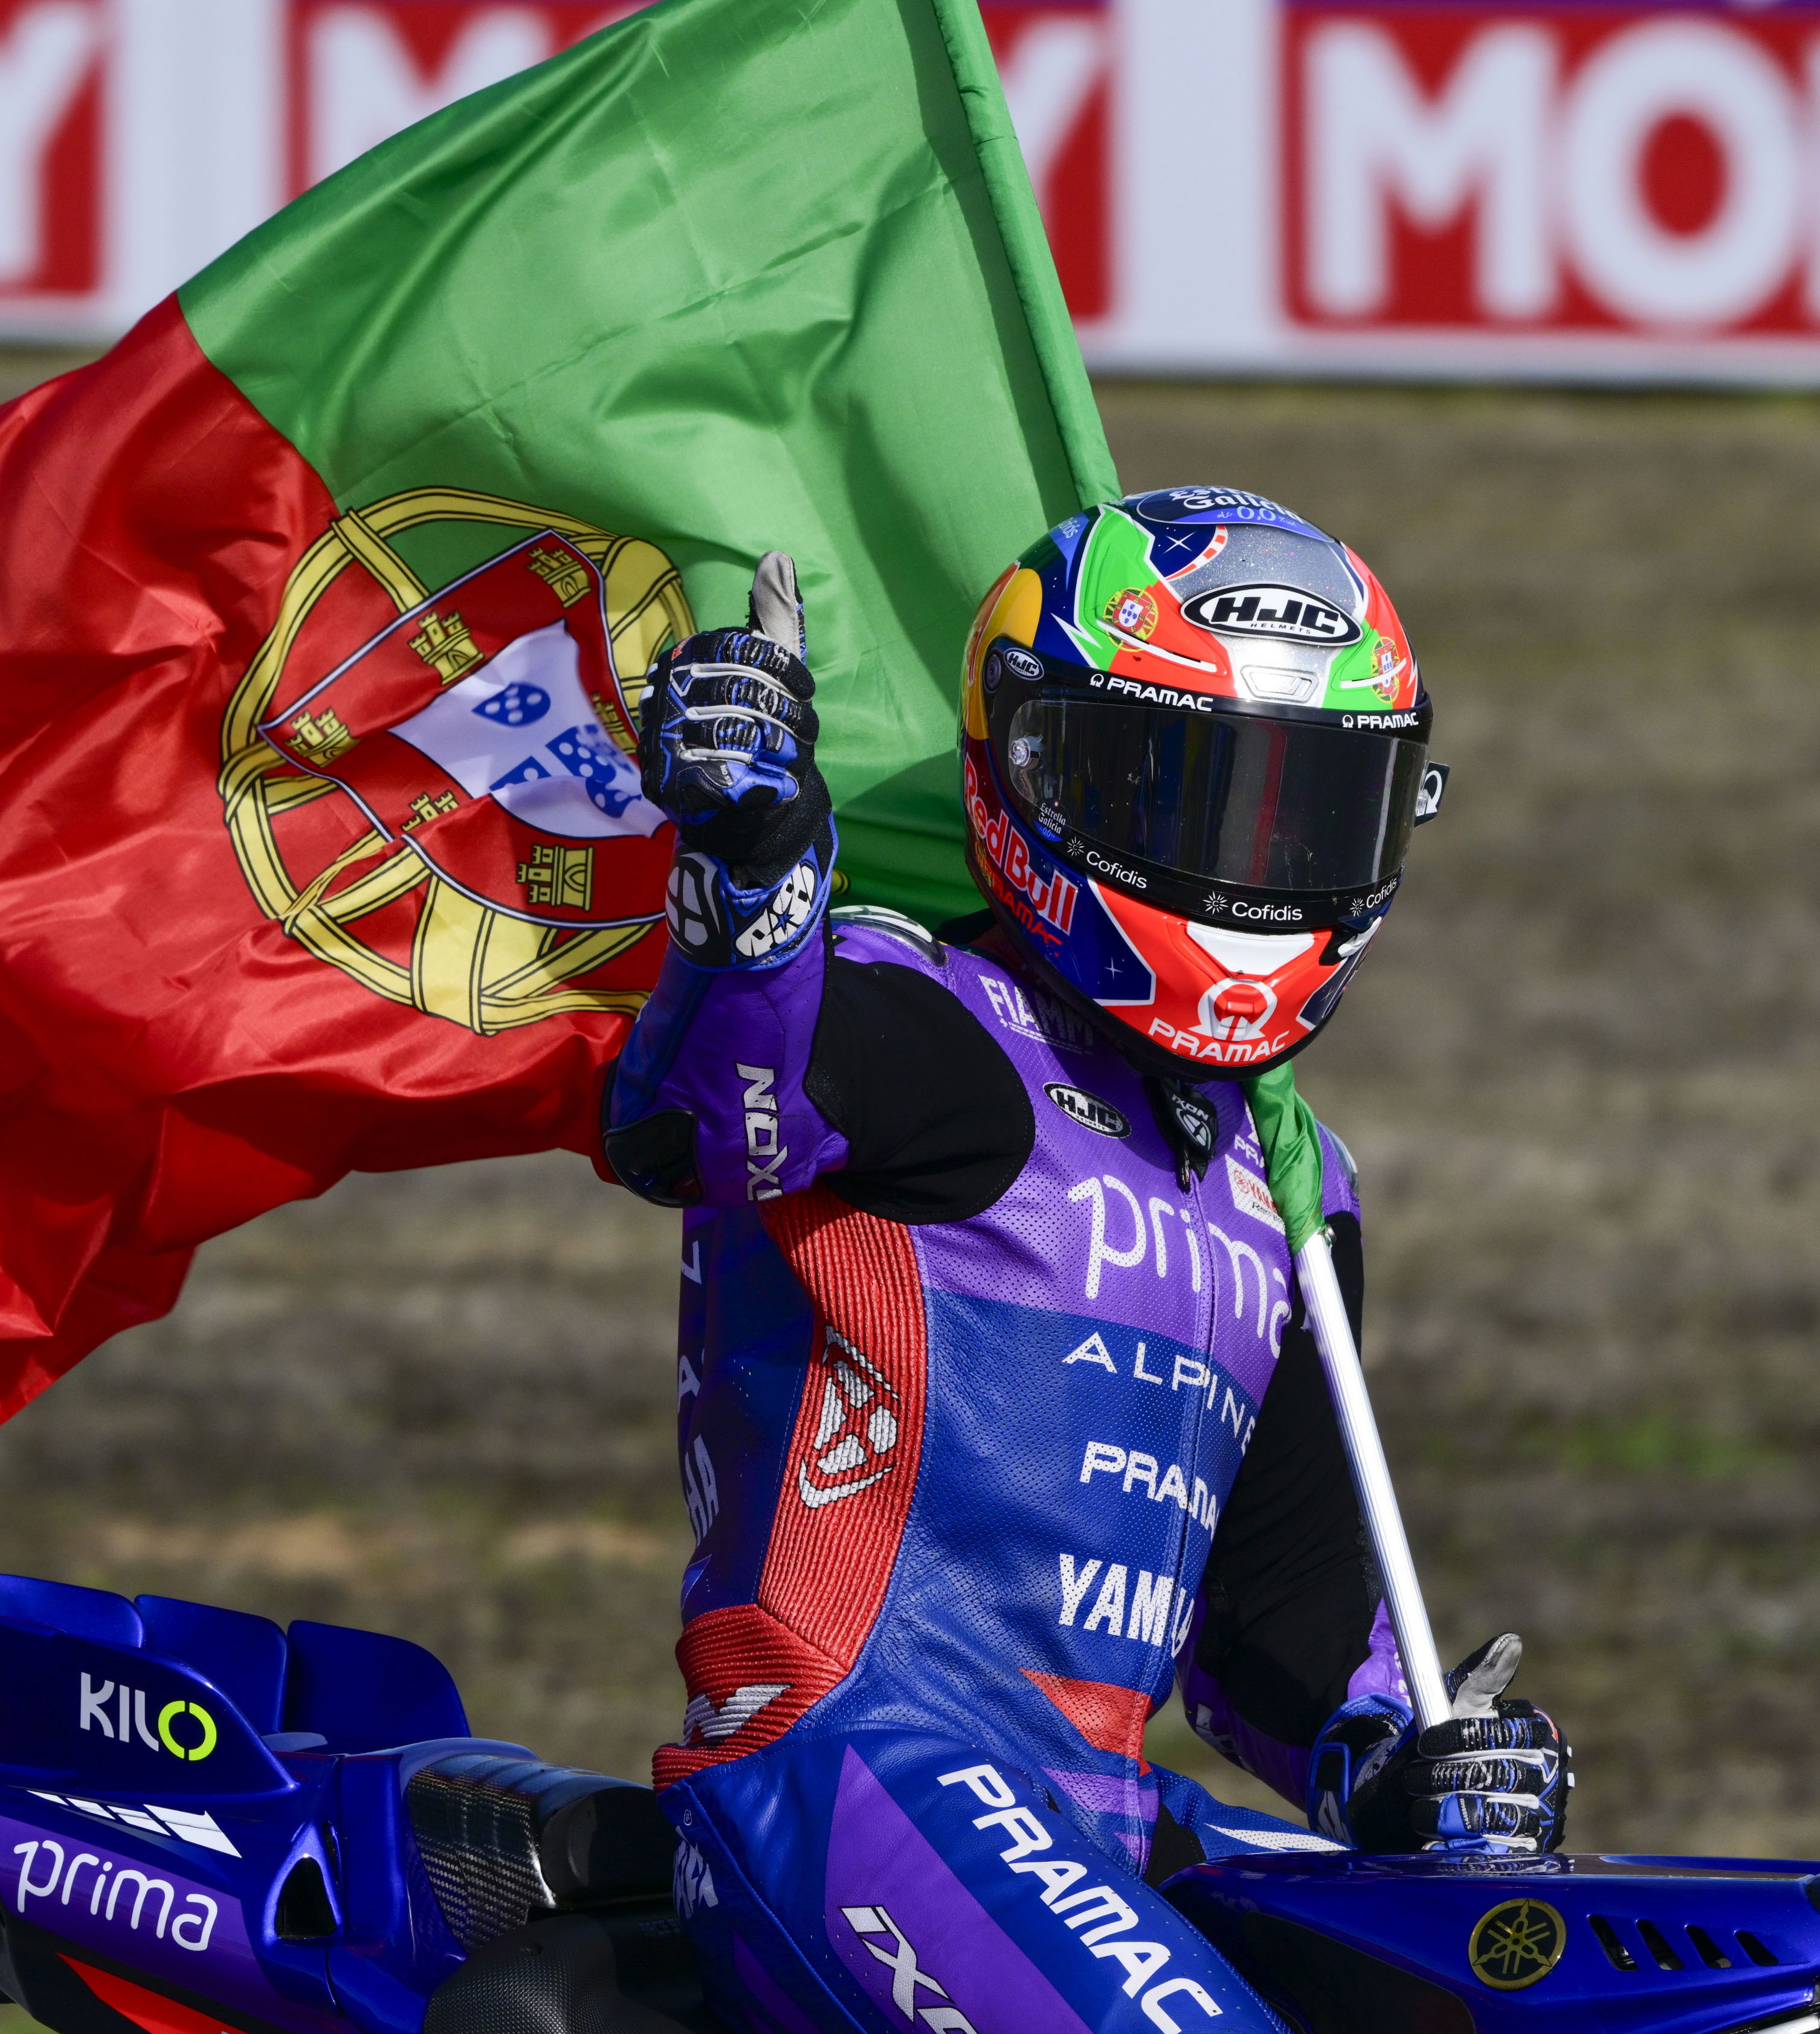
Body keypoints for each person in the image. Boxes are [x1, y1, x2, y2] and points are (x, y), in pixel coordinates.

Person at [599, 488, 1570, 2033]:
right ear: (1039, 772)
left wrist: (1404, 1771)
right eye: (1193, 791)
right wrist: (752, 865)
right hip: (854, 1770)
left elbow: (1281, 1625)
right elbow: (696, 1123)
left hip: (1106, 1825)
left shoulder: (1299, 1187)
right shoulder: (918, 1015)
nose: (1254, 863)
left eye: (1306, 808)